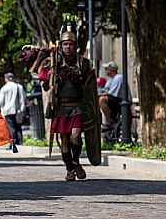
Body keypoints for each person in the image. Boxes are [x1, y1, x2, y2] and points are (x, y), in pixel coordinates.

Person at [40, 29, 93, 181]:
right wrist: (49, 77)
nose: (68, 47)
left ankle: (76, 162)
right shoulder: (53, 63)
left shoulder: (84, 63)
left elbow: (91, 87)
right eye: (65, 44)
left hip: (78, 105)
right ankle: (70, 169)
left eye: (70, 44)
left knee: (76, 136)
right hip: (61, 106)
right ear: (61, 46)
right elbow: (43, 85)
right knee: (64, 139)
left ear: (75, 46)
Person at [98, 61, 131, 130]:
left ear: (111, 70)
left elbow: (111, 93)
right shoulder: (111, 79)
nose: (105, 70)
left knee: (102, 100)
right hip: (116, 99)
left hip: (122, 100)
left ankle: (109, 120)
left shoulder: (118, 78)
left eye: (107, 69)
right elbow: (105, 89)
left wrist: (98, 94)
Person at [0, 73, 26, 145]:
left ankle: (12, 143)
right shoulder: (19, 86)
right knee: (18, 126)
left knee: (11, 127)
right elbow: (22, 99)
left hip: (7, 110)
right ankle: (19, 142)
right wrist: (22, 109)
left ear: (6, 79)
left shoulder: (4, 88)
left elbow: (0, 101)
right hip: (17, 110)